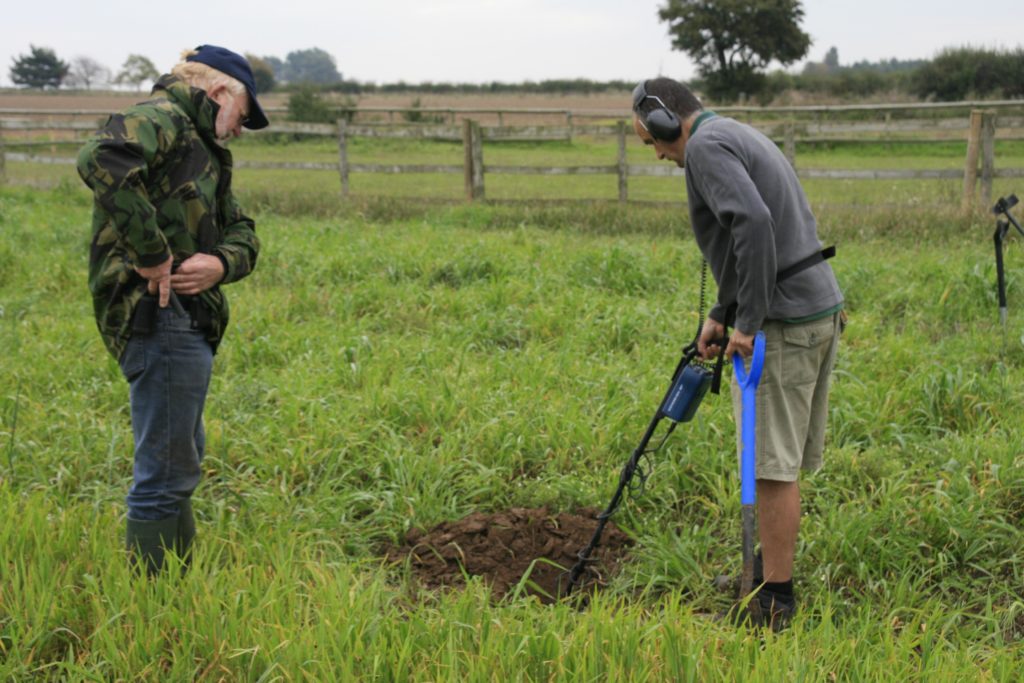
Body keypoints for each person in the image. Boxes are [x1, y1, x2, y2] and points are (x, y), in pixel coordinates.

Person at [631, 78, 844, 630]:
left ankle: (774, 599)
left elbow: (753, 223)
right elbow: (744, 236)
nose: (656, 153)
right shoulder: (729, 133)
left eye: (651, 140)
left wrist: (747, 324)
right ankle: (763, 572)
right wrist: (723, 311)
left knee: (772, 468)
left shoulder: (703, 147)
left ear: (664, 121)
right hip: (813, 308)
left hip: (786, 322)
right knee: (777, 462)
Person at [77, 45, 268, 576]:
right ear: (220, 92)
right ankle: (156, 603)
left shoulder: (204, 151)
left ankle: (176, 586)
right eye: (242, 116)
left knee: (179, 458)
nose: (238, 129)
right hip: (155, 314)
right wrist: (154, 255)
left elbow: (243, 231)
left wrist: (219, 264)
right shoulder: (163, 119)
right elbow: (101, 157)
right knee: (164, 470)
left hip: (188, 317)